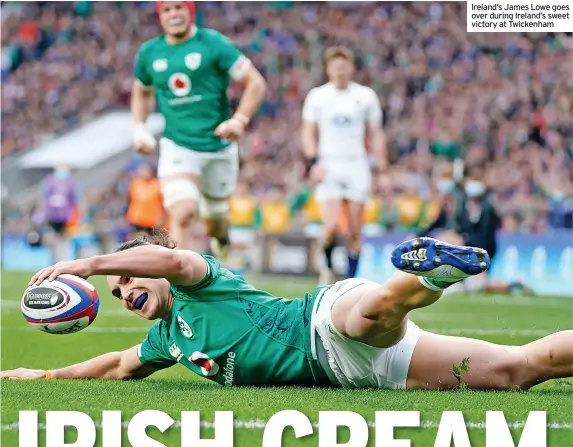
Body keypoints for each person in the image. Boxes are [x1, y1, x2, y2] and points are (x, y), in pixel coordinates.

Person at [3, 234, 571, 392]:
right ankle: (426, 277)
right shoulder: (167, 342)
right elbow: (114, 366)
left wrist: (94, 264)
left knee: (369, 315)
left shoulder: (202, 279)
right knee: (517, 371)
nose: (125, 293)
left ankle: (428, 274)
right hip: (363, 372)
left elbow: (173, 257)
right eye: (119, 292)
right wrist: (45, 374)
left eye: (129, 280)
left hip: (322, 317)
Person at [131, 1, 266, 255]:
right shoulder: (149, 52)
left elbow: (255, 83)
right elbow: (142, 92)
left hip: (218, 146)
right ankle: (185, 289)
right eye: (167, 10)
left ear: (190, 11)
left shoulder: (214, 44)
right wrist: (140, 127)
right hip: (178, 145)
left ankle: (221, 238)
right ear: (160, 16)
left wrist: (239, 120)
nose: (174, 14)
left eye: (179, 8)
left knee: (215, 221)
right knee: (183, 213)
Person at [301, 46, 388, 286]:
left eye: (344, 67)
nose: (340, 71)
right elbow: (308, 132)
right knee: (329, 227)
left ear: (351, 69)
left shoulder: (365, 96)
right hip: (329, 164)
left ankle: (351, 281)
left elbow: (376, 133)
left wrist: (382, 170)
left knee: (354, 231)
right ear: (328, 69)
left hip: (356, 165)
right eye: (335, 67)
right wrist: (313, 162)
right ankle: (327, 269)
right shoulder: (318, 96)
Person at [41, 164, 79, 262]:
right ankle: (54, 257)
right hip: (52, 216)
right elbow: (45, 196)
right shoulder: (50, 181)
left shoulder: (71, 182)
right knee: (51, 238)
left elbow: (74, 198)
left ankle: (61, 259)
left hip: (65, 217)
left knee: (63, 240)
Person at [125, 162, 164, 237]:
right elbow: (129, 200)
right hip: (136, 218)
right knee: (139, 240)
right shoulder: (135, 184)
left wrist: (161, 218)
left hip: (153, 219)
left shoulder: (157, 184)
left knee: (152, 241)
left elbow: (162, 203)